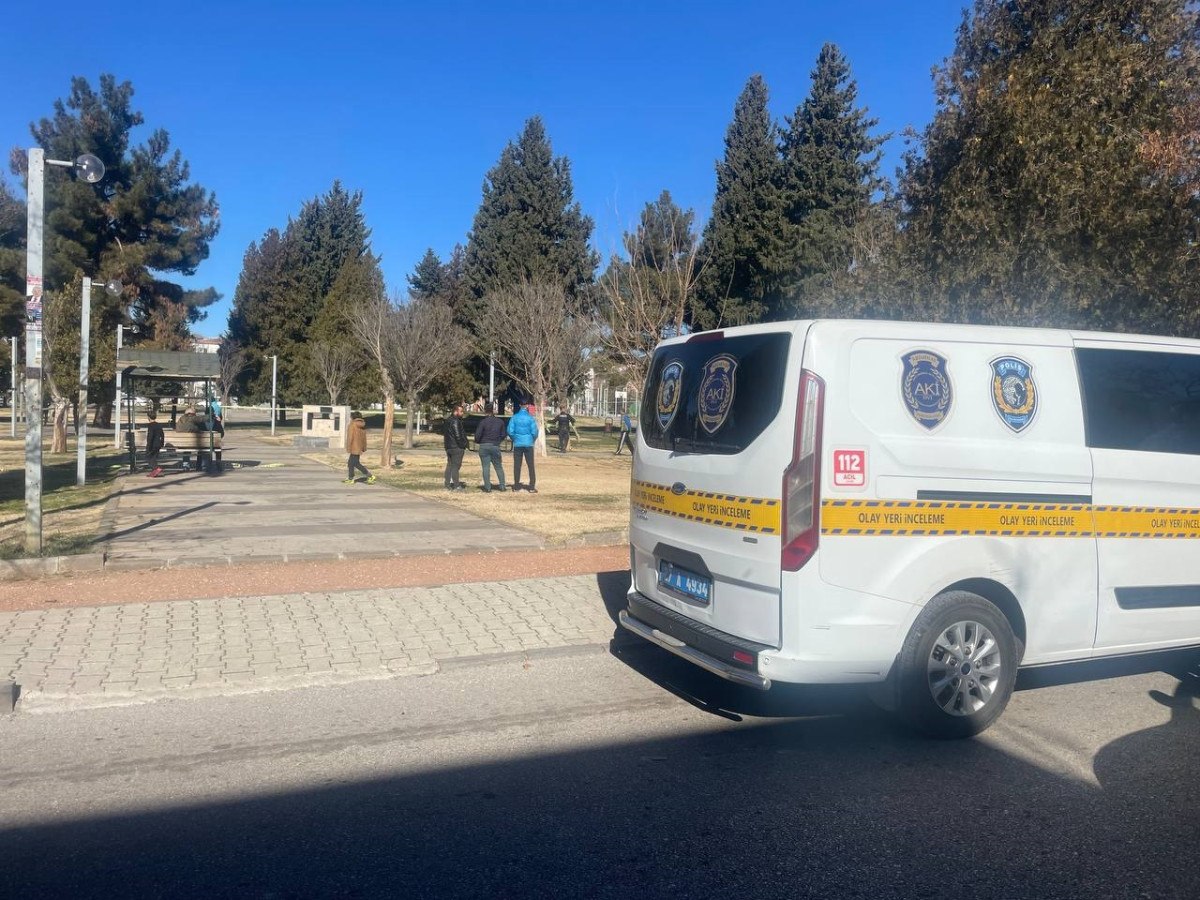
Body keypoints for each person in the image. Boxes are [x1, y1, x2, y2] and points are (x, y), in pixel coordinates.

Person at [474, 401, 507, 493]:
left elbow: (477, 435)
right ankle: (502, 485)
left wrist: (479, 441)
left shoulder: (483, 422)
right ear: (493, 411)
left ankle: (488, 487)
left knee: (485, 467)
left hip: (484, 445)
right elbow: (503, 434)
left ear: (485, 411)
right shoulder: (500, 422)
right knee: (498, 467)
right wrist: (498, 441)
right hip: (495, 445)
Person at [507, 403, 539, 493]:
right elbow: (535, 432)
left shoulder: (514, 417)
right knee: (531, 465)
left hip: (518, 444)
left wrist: (515, 439)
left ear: (520, 405)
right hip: (528, 444)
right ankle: (532, 486)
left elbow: (510, 430)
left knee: (517, 465)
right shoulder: (530, 418)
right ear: (527, 406)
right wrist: (532, 440)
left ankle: (516, 486)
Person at [345, 411, 376, 484]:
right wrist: (364, 447)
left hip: (353, 447)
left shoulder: (352, 425)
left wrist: (348, 447)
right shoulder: (362, 425)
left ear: (353, 417)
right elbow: (364, 438)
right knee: (351, 463)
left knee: (355, 463)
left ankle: (370, 476)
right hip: (359, 447)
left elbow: (350, 437)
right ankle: (350, 478)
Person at [443, 404, 469, 490]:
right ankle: (456, 485)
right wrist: (463, 445)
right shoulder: (455, 421)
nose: (462, 413)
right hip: (456, 447)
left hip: (449, 447)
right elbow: (458, 436)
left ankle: (447, 484)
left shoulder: (447, 420)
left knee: (450, 465)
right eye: (461, 411)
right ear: (455, 411)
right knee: (455, 466)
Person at [145, 411, 165, 478]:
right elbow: (162, 434)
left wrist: (148, 445)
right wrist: (162, 443)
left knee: (149, 457)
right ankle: (154, 472)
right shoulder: (159, 425)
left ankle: (156, 468)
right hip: (158, 444)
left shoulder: (150, 425)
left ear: (148, 417)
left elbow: (150, 436)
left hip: (152, 444)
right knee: (154, 458)